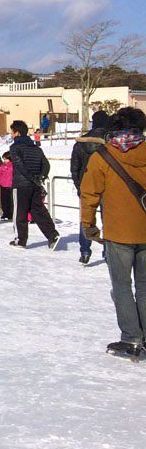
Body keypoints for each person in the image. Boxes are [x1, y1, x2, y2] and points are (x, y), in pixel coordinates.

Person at [79, 107, 146, 360]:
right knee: (145, 287)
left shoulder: (103, 156)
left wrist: (89, 225)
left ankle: (131, 338)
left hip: (118, 233)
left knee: (122, 287)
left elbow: (89, 195)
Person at [7, 120, 60, 249]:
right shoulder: (36, 148)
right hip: (35, 184)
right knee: (38, 210)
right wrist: (40, 177)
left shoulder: (15, 148)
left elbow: (20, 166)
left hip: (21, 184)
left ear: (17, 133)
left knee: (20, 212)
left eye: (12, 132)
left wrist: (32, 178)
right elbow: (46, 164)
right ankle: (52, 234)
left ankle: (20, 240)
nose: (11, 135)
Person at [71, 110, 112, 265]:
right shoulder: (110, 142)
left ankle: (85, 251)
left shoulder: (81, 142)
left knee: (86, 219)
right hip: (107, 188)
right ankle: (108, 251)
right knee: (107, 219)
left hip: (86, 186)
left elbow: (74, 168)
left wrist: (80, 187)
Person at [0, 151, 15, 221]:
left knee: (10, 200)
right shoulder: (3, 166)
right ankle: (5, 213)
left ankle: (10, 213)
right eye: (3, 159)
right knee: (3, 200)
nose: (4, 161)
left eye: (6, 159)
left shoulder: (13, 166)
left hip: (10, 185)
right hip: (3, 185)